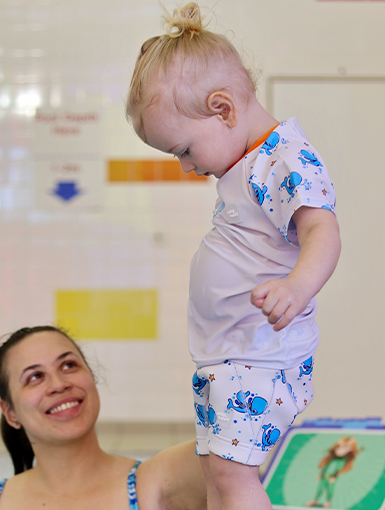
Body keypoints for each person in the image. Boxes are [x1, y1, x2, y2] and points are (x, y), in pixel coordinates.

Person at [125, 4, 341, 510]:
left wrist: (298, 286)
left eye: (183, 150)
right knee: (217, 476)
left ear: (223, 109)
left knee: (232, 476)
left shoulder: (283, 160)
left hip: (261, 356)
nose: (184, 166)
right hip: (231, 355)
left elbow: (323, 231)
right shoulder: (248, 163)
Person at [0, 326, 207, 510]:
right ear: (10, 412)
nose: (59, 384)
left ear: (92, 378)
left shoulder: (157, 484)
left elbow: (236, 440)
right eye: (35, 377)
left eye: (68, 366)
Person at [305, 436, 362, 508]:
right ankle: (315, 500)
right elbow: (325, 467)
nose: (340, 450)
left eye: (344, 448)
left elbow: (338, 470)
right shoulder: (331, 458)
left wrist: (334, 477)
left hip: (331, 477)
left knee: (330, 490)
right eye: (339, 447)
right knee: (320, 488)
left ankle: (328, 502)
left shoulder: (342, 460)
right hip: (324, 476)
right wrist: (320, 474)